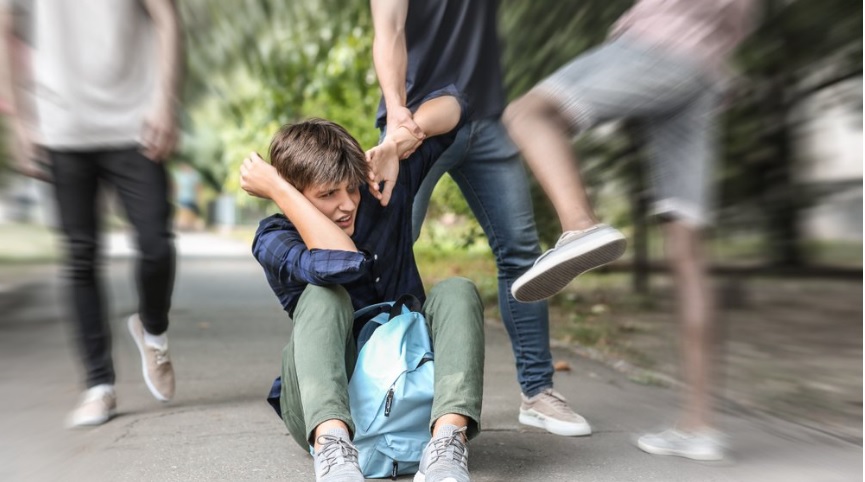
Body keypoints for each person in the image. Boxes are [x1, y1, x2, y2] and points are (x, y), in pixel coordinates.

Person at [503, 0, 754, 460]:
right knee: (689, 254)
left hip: (658, 41)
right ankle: (699, 427)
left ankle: (581, 226)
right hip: (705, 71)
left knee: (528, 114)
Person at [369, 0, 591, 438]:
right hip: (414, 123)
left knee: (521, 253)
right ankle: (382, 389)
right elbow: (388, 30)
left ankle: (538, 391)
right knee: (386, 254)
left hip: (485, 118)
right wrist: (396, 110)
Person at [241, 92, 484, 482]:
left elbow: (459, 107)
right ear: (293, 196)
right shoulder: (274, 237)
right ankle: (334, 452)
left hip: (411, 382)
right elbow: (342, 260)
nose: (348, 204)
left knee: (457, 289)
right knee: (324, 294)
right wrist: (280, 191)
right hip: (327, 405)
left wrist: (395, 143)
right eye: (327, 195)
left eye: (350, 188)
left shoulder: (379, 190)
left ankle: (446, 447)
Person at [0, 0, 183, 427]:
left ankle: (152, 329)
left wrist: (165, 101)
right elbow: (6, 25)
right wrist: (21, 122)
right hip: (62, 126)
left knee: (156, 243)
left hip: (136, 121)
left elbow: (167, 17)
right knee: (81, 255)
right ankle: (99, 385)